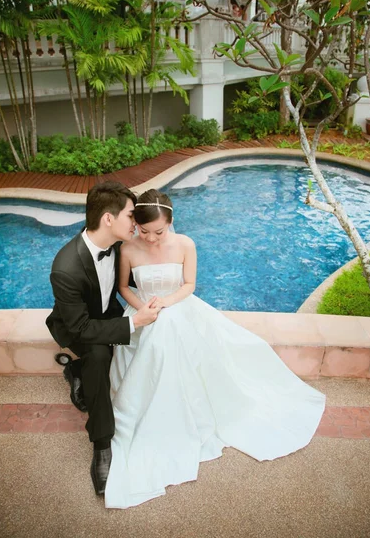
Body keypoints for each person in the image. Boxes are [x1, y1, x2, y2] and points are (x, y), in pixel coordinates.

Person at [104, 189, 326, 509]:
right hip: (142, 312)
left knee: (168, 328)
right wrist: (143, 312)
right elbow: (125, 287)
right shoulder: (127, 249)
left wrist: (164, 304)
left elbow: (189, 285)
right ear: (135, 225)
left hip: (178, 307)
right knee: (158, 329)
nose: (151, 238)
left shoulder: (185, 245)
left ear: (171, 223)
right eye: (144, 231)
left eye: (159, 232)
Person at [46, 181, 160, 496]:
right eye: (130, 216)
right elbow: (81, 328)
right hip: (76, 326)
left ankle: (76, 372)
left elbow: (141, 274)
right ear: (108, 219)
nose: (135, 223)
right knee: (98, 355)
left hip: (105, 312)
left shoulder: (119, 244)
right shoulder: (65, 268)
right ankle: (101, 444)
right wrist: (134, 322)